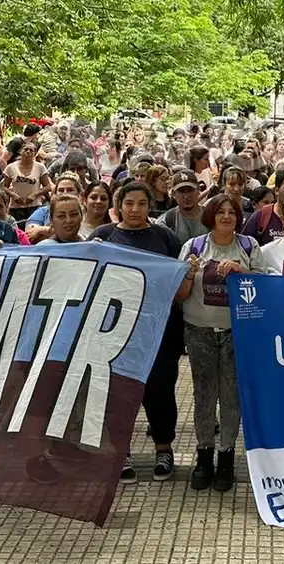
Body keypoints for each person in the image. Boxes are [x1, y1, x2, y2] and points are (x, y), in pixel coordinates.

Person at [91, 181, 187, 483]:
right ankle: (122, 453)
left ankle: (164, 449)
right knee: (118, 392)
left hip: (159, 332)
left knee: (161, 392)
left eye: (141, 204)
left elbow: (179, 277)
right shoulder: (103, 237)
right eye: (129, 203)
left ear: (150, 206)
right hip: (114, 332)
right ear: (119, 206)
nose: (135, 209)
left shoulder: (164, 236)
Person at [176, 194, 257, 492]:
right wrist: (189, 273)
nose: (226, 216)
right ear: (210, 215)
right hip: (199, 332)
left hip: (237, 334)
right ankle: (204, 454)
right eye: (220, 211)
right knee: (204, 395)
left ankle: (226, 457)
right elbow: (180, 295)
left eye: (231, 212)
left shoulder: (249, 246)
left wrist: (241, 270)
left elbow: (263, 286)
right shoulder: (194, 247)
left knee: (232, 397)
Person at [3, 141, 50, 225]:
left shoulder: (40, 167)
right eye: (26, 149)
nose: (28, 151)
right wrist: (13, 195)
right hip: (15, 207)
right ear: (21, 151)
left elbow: (48, 186)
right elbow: (4, 187)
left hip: (35, 207)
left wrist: (35, 194)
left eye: (31, 150)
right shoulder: (11, 167)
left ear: (35, 153)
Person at [161, 173, 208, 243]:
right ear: (173, 193)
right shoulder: (167, 221)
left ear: (198, 190)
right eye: (181, 191)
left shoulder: (210, 216)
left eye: (190, 190)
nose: (186, 196)